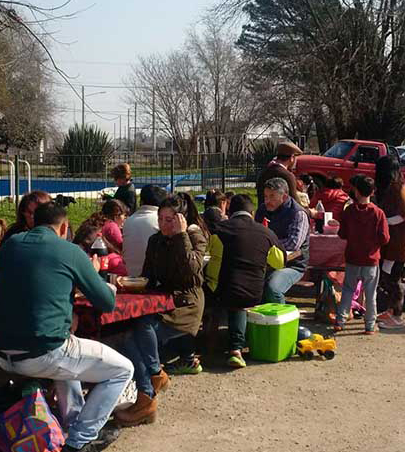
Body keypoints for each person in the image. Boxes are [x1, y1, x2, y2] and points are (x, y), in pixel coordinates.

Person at [0, 202, 133, 452]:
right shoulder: (69, 251)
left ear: (33, 223)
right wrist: (97, 277)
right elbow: (105, 302)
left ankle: (74, 428)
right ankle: (78, 445)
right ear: (65, 227)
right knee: (122, 369)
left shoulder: (10, 245)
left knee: (72, 359)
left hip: (2, 351)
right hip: (43, 351)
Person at [118, 194, 208, 426]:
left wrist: (181, 236)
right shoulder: (156, 240)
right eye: (161, 219)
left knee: (142, 325)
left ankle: (152, 384)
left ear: (181, 220)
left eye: (170, 220)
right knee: (127, 336)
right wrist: (129, 282)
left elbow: (192, 272)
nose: (164, 225)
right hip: (160, 302)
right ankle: (148, 393)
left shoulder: (194, 236)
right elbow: (149, 274)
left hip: (185, 305)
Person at [205, 194, 286, 367]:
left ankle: (231, 347)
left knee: (230, 294)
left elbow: (209, 252)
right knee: (241, 296)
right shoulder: (267, 233)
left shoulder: (219, 230)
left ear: (230, 211)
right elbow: (279, 263)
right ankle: (250, 341)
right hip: (256, 291)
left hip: (222, 291)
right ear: (253, 212)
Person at [335, 175, 389, 334]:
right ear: (373, 192)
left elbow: (342, 234)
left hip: (352, 257)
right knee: (370, 294)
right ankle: (369, 325)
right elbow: (385, 238)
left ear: (356, 191)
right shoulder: (378, 213)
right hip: (371, 259)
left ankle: (340, 320)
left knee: (347, 290)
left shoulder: (349, 211)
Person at [374, 156, 405, 329]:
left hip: (400, 243)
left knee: (393, 279)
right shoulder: (388, 188)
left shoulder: (398, 188)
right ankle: (392, 310)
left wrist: (384, 220)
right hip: (391, 242)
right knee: (386, 277)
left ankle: (397, 316)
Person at [254, 178, 310, 304]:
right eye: (265, 196)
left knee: (273, 288)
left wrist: (268, 244)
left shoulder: (298, 214)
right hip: (265, 262)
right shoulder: (262, 210)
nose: (267, 201)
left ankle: (283, 319)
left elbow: (293, 244)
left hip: (292, 265)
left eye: (272, 197)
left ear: (284, 197)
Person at [122, 185, 167, 277]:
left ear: (141, 201)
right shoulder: (161, 220)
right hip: (156, 279)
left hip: (131, 275)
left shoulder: (128, 221)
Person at [255, 141, 302, 206]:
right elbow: (295, 204)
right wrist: (311, 212)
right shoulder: (287, 176)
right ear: (292, 158)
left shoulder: (263, 173)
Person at [100, 199, 129, 276]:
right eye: (124, 215)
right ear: (117, 215)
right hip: (108, 263)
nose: (125, 219)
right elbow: (122, 246)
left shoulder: (102, 223)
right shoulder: (112, 226)